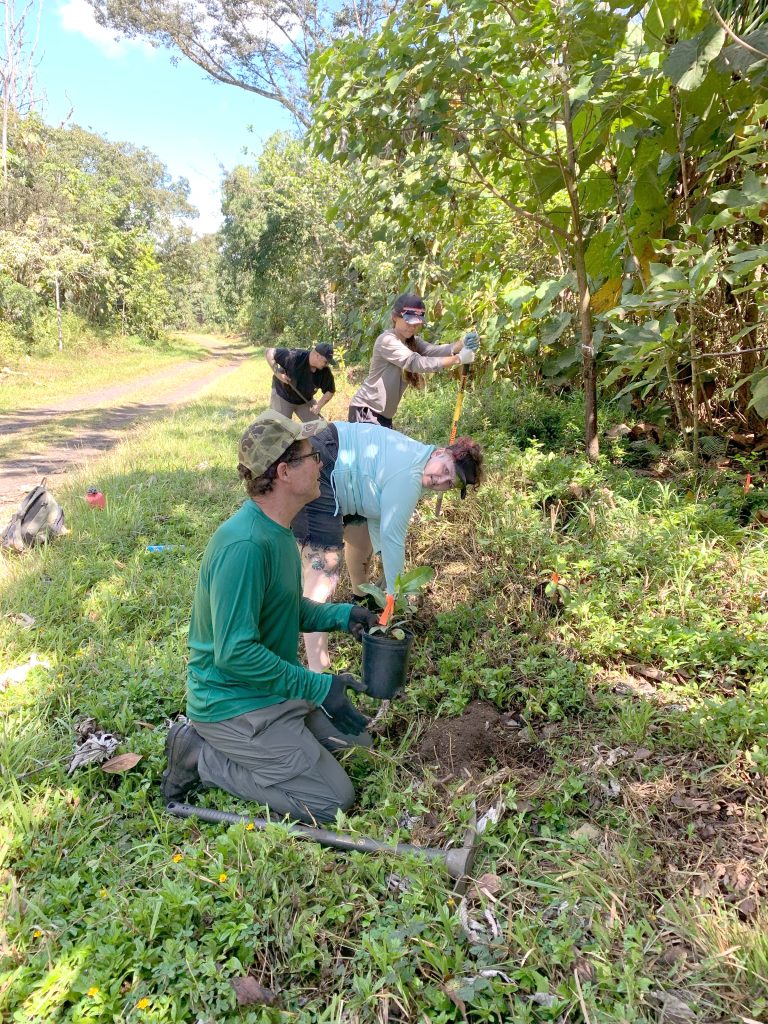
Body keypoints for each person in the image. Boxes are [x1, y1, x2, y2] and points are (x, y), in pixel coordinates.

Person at [160, 410, 379, 824]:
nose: (321, 463)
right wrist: (317, 686)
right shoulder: (244, 545)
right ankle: (200, 757)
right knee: (333, 801)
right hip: (232, 701)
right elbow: (235, 654)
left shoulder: (279, 530)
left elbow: (284, 607)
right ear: (284, 471)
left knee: (358, 745)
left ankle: (281, 741)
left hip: (270, 689)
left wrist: (342, 615)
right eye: (312, 455)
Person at [291, 420, 484, 673]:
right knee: (322, 572)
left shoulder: (418, 457)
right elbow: (393, 537)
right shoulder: (411, 476)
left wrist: (382, 557)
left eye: (451, 483)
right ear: (440, 453)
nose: (442, 480)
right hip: (322, 464)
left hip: (326, 452)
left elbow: (378, 513)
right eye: (447, 469)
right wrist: (395, 596)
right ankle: (319, 673)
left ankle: (360, 597)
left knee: (361, 541)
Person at [348, 293, 480, 428]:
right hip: (366, 411)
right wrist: (458, 359)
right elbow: (415, 363)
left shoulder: (412, 341)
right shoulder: (387, 340)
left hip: (383, 415)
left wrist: (461, 344)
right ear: (394, 317)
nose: (412, 327)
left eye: (416, 324)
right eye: (408, 322)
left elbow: (433, 351)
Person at [266, 342, 336, 422]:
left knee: (319, 428)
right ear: (317, 356)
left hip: (305, 400)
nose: (327, 365)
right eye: (326, 362)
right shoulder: (294, 356)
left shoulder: (325, 371)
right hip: (283, 395)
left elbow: (330, 390)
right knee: (280, 428)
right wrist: (278, 374)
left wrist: (318, 406)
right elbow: (269, 352)